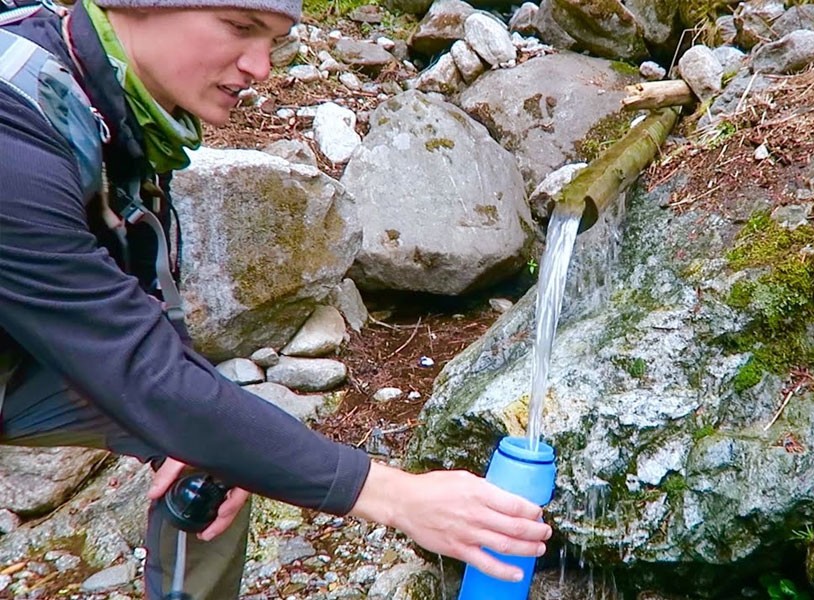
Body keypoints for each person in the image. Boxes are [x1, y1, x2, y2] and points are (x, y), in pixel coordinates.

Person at [0, 0, 552, 597]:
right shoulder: (16, 140)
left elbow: (150, 322)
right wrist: (397, 496)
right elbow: (142, 375)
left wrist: (204, 433)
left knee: (217, 442)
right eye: (240, 28)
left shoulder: (105, 97)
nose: (262, 67)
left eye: (276, 41)